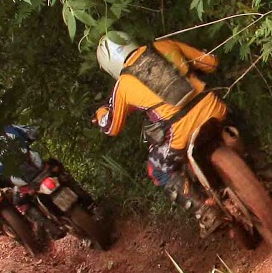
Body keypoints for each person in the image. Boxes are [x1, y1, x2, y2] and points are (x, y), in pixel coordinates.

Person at [92, 33, 227, 203]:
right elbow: (211, 63)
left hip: (180, 137)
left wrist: (100, 113)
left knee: (157, 170)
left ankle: (204, 208)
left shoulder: (123, 85)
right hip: (215, 109)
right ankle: (256, 161)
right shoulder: (164, 45)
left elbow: (111, 127)